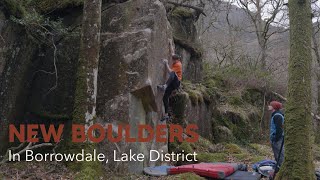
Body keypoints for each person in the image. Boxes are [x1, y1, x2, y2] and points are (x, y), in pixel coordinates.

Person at [158, 54, 182, 121]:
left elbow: (170, 72)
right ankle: (166, 115)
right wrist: (170, 45)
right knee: (165, 97)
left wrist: (166, 63)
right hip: (172, 84)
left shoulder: (178, 64)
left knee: (173, 73)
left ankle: (165, 86)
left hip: (176, 83)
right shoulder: (176, 62)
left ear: (177, 60)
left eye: (173, 60)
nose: (172, 61)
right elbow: (172, 53)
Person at [268, 101, 285, 168]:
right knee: (277, 155)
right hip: (275, 138)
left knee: (280, 154)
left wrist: (276, 139)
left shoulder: (277, 116)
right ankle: (279, 167)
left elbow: (279, 129)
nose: (268, 106)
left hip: (278, 139)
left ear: (274, 107)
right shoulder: (275, 115)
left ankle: (282, 167)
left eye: (270, 105)